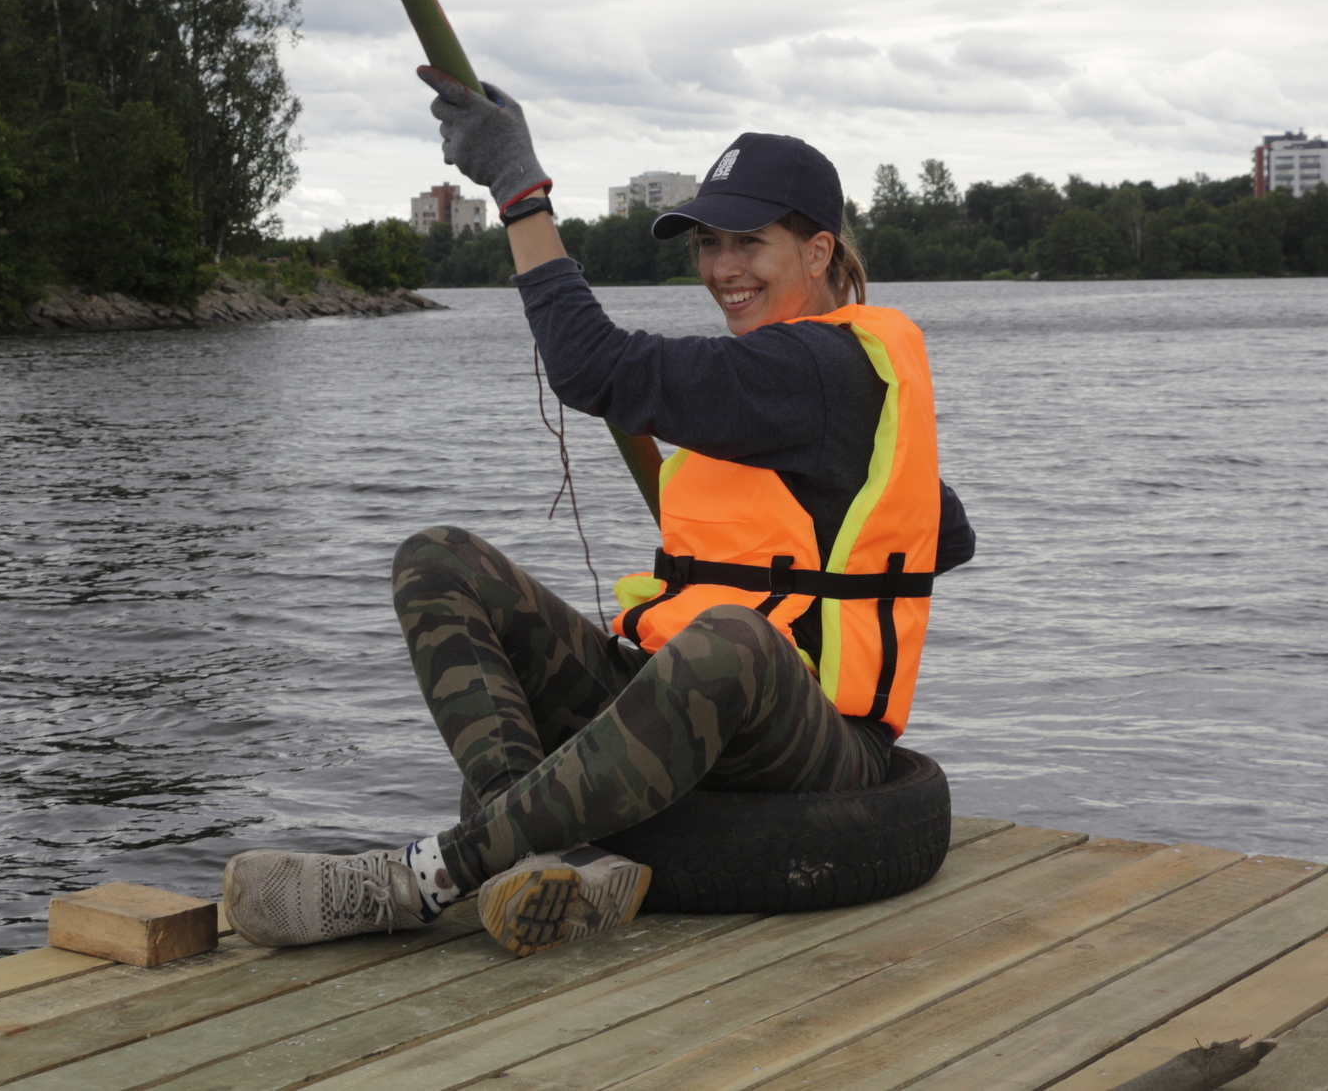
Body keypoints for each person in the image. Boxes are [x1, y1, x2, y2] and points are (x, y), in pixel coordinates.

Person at [222, 69, 975, 957]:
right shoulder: (803, 379)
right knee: (438, 560)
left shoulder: (806, 369)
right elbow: (945, 532)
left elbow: (590, 367)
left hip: (814, 744)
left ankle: (419, 878)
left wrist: (518, 189)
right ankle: (527, 857)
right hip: (692, 711)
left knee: (730, 640)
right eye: (706, 243)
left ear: (816, 253)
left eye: (748, 242)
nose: (722, 268)